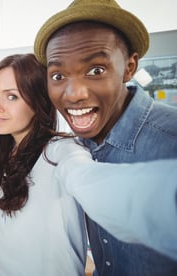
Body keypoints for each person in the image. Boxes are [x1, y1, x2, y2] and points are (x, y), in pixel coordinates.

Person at [34, 0, 177, 274]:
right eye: (59, 75)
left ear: (129, 67)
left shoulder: (171, 141)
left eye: (96, 70)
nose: (74, 94)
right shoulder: (74, 144)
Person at [0, 53, 90, 275]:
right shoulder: (3, 156)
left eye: (12, 97)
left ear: (38, 101)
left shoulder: (58, 151)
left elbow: (83, 171)